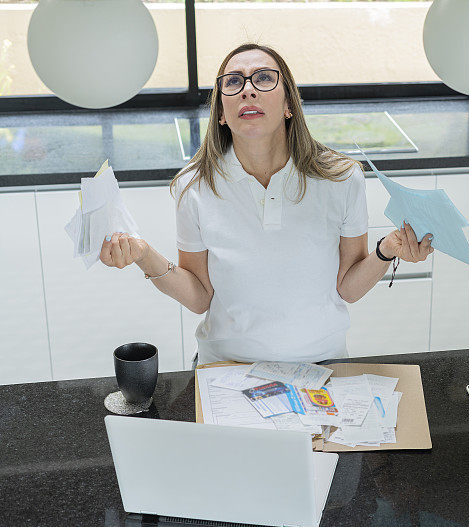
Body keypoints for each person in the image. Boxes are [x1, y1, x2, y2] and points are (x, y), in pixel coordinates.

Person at [99, 43, 434, 367]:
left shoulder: (342, 178)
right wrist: (143, 255)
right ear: (221, 115)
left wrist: (387, 248)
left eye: (263, 78)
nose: (247, 90)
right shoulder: (194, 186)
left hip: (321, 365)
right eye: (233, 82)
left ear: (289, 104)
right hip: (226, 369)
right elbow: (200, 296)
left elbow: (348, 287)